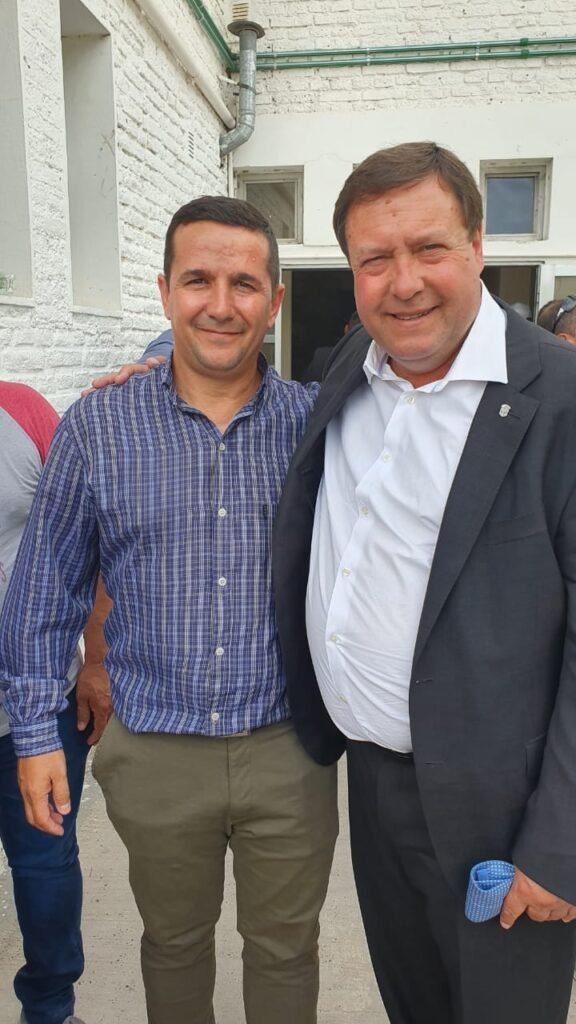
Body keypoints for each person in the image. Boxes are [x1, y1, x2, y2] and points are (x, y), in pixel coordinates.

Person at [0, 197, 337, 1024]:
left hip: (287, 746)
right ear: (163, 291)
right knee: (175, 944)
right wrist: (36, 735)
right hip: (154, 748)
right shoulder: (99, 426)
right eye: (198, 280)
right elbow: (46, 590)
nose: (220, 304)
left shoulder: (317, 425)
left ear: (275, 301)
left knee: (286, 950)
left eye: (244, 283)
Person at [272, 142, 576, 1024]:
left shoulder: (560, 397)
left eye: (429, 248)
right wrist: (151, 375)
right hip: (374, 784)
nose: (403, 283)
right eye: (375, 259)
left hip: (507, 808)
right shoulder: (349, 367)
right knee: (414, 1006)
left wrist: (560, 843)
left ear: (477, 245)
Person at [0, 381, 111, 1024]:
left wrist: (96, 660)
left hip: (36, 705)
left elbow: (87, 541)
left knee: (44, 867)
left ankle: (49, 1008)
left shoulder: (23, 412)